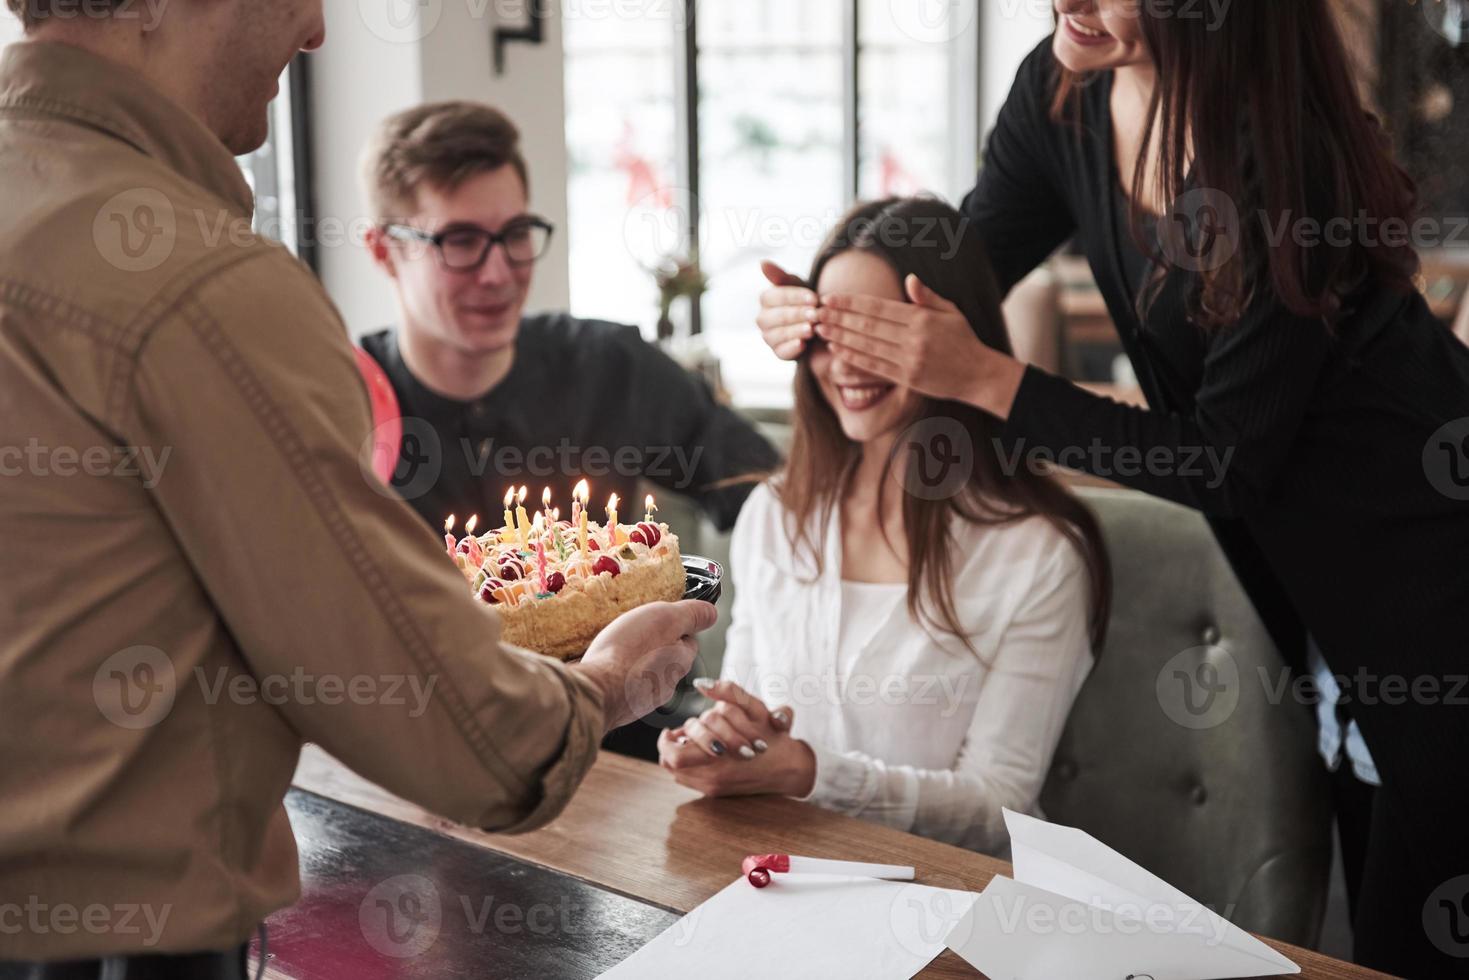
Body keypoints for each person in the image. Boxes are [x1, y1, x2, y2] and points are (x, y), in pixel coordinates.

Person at [0, 2, 715, 974]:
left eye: (516, 237)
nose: (318, 28)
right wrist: (606, 680)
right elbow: (472, 741)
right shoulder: (198, 286)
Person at [757, 4, 1469, 974]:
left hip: (1430, 569)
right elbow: (954, 275)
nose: (1067, 3)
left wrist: (987, 380)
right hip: (1317, 590)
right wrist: (826, 319)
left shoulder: (1284, 166)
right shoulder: (1061, 97)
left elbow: (1219, 461)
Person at [658, 198, 1111, 854]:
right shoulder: (776, 515)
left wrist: (810, 773)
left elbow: (1000, 806)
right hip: (780, 883)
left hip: (950, 904)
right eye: (826, 331)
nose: (844, 364)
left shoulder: (1037, 552)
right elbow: (749, 723)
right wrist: (712, 743)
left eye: (877, 333)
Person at [359, 101, 779, 537]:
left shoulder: (608, 367)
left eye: (516, 234)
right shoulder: (345, 407)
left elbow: (773, 497)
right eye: (461, 242)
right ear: (384, 251)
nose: (499, 273)